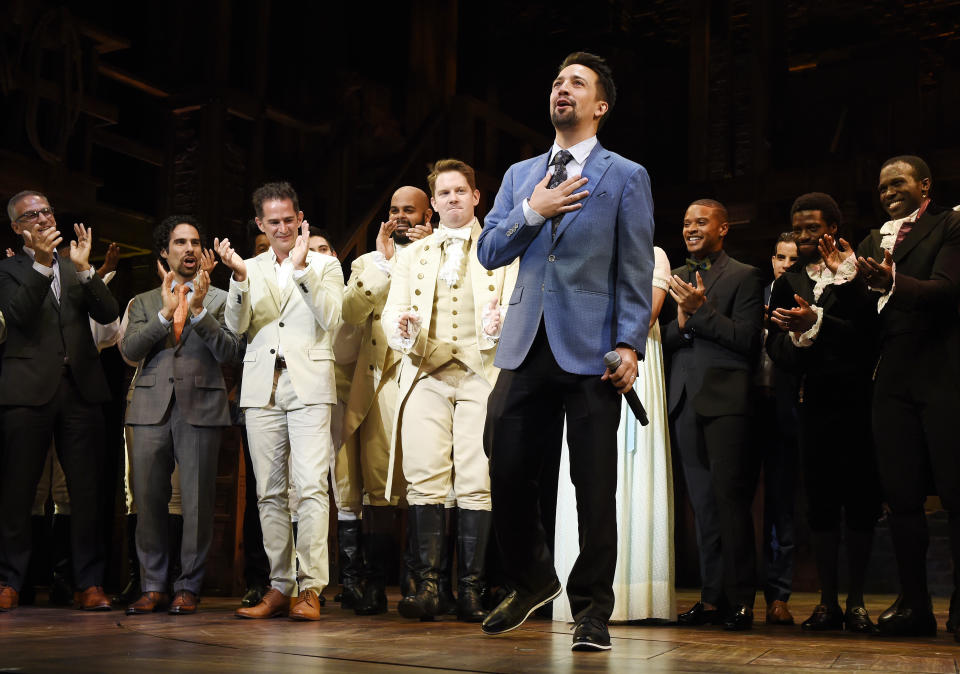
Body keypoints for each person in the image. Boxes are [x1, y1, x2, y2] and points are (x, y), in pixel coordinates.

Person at [477, 52, 654, 651]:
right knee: (504, 466)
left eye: (576, 83)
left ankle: (592, 611)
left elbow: (633, 269)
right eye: (556, 81)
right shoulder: (520, 174)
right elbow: (489, 250)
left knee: (593, 485)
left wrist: (629, 343)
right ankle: (531, 579)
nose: (562, 89)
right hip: (526, 344)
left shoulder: (625, 175)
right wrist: (535, 210)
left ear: (599, 105)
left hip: (591, 350)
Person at [824, 156, 960, 639]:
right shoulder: (871, 240)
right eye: (882, 187)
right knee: (901, 497)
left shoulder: (951, 224)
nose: (888, 193)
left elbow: (947, 290)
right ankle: (915, 605)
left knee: (954, 492)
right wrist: (843, 276)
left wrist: (892, 282)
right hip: (892, 376)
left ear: (925, 184)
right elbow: (863, 316)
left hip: (943, 371)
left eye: (898, 183)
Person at [383, 160, 515, 623]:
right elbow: (392, 312)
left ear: (476, 197)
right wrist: (401, 329)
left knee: (476, 479)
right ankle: (429, 587)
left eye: (462, 191)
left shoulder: (500, 249)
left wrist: (503, 325)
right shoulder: (410, 256)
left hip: (482, 372)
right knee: (425, 476)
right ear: (433, 202)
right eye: (445, 193)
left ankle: (472, 591)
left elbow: (518, 305)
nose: (453, 199)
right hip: (427, 372)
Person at [215, 181, 344, 621]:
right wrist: (237, 277)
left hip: (308, 384)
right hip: (261, 386)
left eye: (290, 219)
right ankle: (278, 584)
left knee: (310, 488)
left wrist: (304, 268)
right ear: (260, 224)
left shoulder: (326, 266)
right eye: (274, 221)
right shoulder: (249, 266)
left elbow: (331, 317)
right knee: (269, 493)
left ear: (299, 217)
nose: (283, 227)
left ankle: (311, 589)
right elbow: (236, 325)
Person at [767, 193, 882, 633]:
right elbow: (774, 346)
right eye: (798, 230)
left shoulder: (859, 273)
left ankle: (856, 603)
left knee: (859, 502)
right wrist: (799, 337)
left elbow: (870, 335)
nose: (803, 237)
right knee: (820, 505)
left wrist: (818, 322)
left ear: (834, 226)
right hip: (812, 403)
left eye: (812, 229)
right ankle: (828, 602)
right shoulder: (788, 281)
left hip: (859, 402)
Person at [0, 191, 120, 612]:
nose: (40, 218)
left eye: (46, 211)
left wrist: (87, 270)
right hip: (27, 389)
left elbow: (107, 316)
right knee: (18, 490)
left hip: (80, 389)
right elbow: (17, 316)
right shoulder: (7, 269)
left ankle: (89, 583)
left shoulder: (75, 267)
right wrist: (39, 263)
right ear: (17, 227)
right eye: (30, 215)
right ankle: (10, 580)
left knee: (86, 492)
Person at [119, 216, 240, 615]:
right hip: (149, 409)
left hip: (201, 407)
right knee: (149, 502)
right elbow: (130, 351)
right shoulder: (143, 302)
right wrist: (163, 315)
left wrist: (200, 311)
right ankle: (153, 585)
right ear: (165, 252)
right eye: (180, 242)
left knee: (198, 502)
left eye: (195, 242)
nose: (189, 249)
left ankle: (188, 585)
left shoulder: (222, 299)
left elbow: (230, 353)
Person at [553, 246, 674, 623]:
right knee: (587, 477)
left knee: (630, 475)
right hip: (584, 359)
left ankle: (637, 593)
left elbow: (646, 312)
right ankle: (577, 592)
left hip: (630, 356)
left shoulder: (653, 254)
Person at [663, 199, 764, 631]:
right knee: (702, 507)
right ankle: (710, 598)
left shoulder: (745, 275)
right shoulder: (679, 279)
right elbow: (666, 337)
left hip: (727, 403)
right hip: (685, 399)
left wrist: (700, 312)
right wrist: (684, 320)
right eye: (686, 223)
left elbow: (745, 339)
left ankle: (741, 600)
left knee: (730, 504)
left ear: (723, 229)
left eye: (700, 222)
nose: (691, 229)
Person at [339, 186, 434, 615]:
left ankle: (425, 584)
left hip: (425, 379)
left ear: (426, 214)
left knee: (427, 486)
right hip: (380, 385)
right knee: (378, 490)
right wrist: (386, 263)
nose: (399, 218)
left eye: (407, 211)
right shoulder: (367, 262)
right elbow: (351, 313)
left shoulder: (439, 251)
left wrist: (425, 251)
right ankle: (374, 584)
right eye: (393, 210)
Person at [756, 232, 800, 625]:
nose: (787, 265)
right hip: (747, 405)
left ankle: (779, 594)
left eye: (793, 259)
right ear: (773, 260)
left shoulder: (805, 295)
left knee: (782, 505)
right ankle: (729, 594)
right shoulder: (754, 292)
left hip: (786, 407)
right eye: (781, 258)